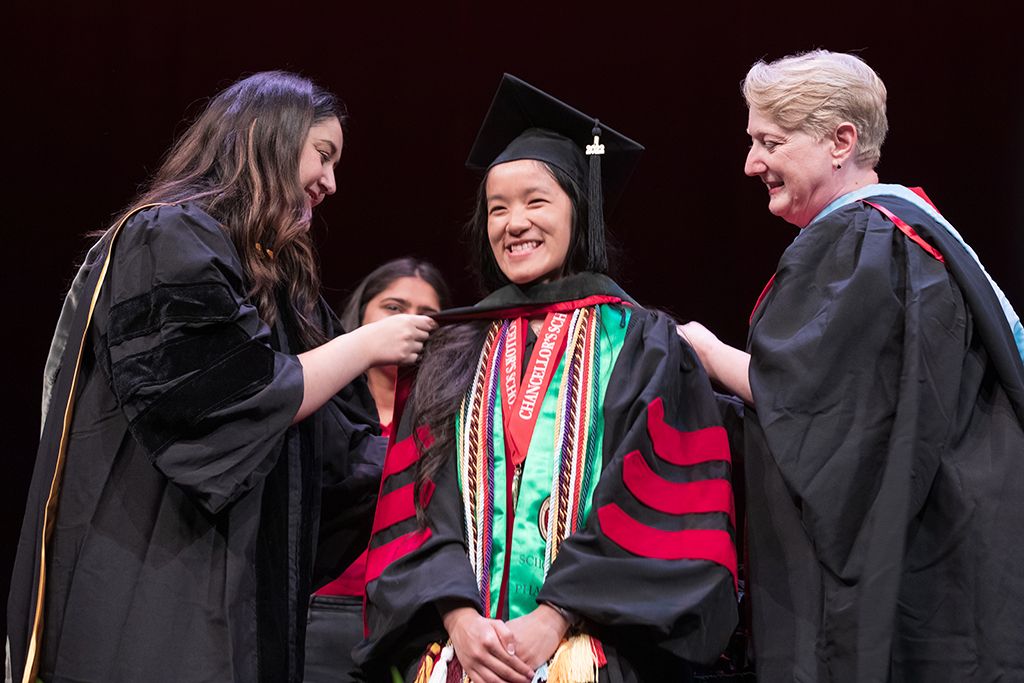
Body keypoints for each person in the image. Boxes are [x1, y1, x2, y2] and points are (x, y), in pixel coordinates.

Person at [6, 71, 436, 683]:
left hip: (242, 595)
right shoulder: (170, 236)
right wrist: (367, 344)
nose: (331, 183)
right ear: (268, 138)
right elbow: (230, 401)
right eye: (323, 155)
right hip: (157, 579)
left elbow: (336, 455)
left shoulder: (277, 281)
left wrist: (452, 457)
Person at [354, 74, 739, 683]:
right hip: (462, 657)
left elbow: (664, 500)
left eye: (536, 201)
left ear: (578, 210)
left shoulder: (642, 342)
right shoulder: (456, 345)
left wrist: (553, 618)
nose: (514, 224)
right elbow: (417, 502)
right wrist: (458, 618)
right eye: (497, 209)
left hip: (596, 654)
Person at [680, 50, 1024, 682]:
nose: (752, 162)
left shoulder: (869, 240)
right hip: (962, 556)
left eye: (770, 141)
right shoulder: (908, 231)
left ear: (842, 141)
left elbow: (815, 401)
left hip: (923, 573)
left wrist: (700, 350)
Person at [306, 258, 451, 683]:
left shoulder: (455, 420)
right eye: (394, 307)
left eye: (427, 315)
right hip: (325, 612)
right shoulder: (319, 404)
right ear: (361, 317)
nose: (411, 322)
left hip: (412, 626)